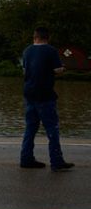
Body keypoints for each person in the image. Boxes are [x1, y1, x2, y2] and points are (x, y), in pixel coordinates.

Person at [20, 26, 74, 172]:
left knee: (30, 128)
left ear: (35, 36)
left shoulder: (27, 51)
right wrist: (63, 69)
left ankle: (26, 159)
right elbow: (57, 70)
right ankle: (56, 161)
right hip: (45, 94)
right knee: (52, 128)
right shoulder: (51, 51)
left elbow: (25, 71)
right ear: (47, 37)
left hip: (29, 93)